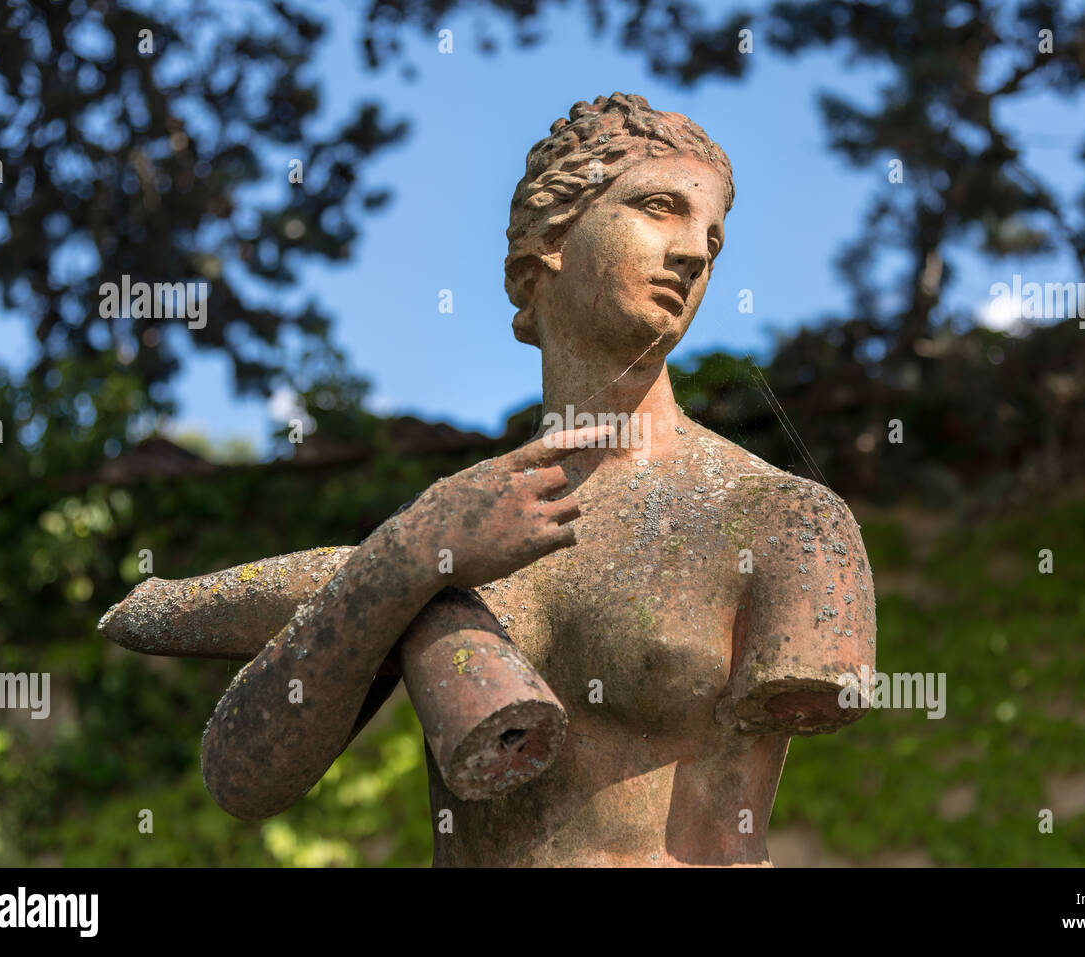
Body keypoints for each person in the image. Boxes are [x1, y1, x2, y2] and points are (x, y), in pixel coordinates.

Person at [200, 93, 876, 867]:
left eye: (713, 237)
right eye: (660, 208)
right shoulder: (453, 526)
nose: (694, 252)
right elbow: (241, 780)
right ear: (549, 242)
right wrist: (405, 558)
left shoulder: (783, 518)